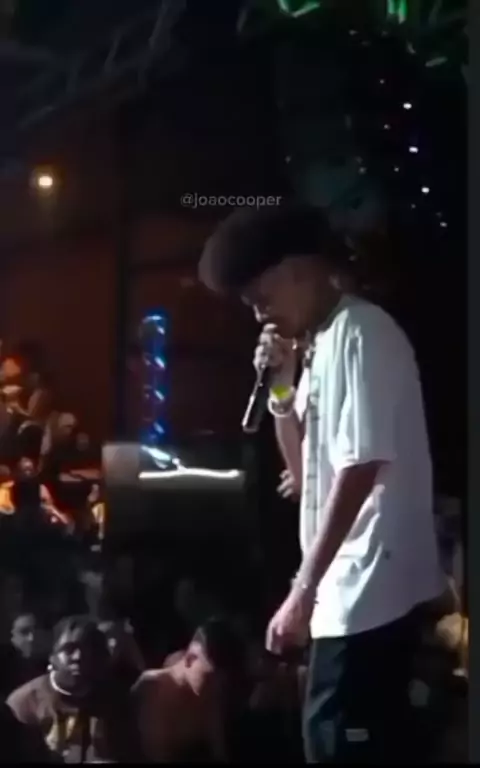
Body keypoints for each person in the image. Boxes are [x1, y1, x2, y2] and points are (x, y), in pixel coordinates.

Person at [198, 204, 445, 763]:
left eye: (262, 297)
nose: (259, 313)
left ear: (298, 270)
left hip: (370, 585)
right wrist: (282, 387)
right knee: (330, 738)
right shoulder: (322, 343)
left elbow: (359, 468)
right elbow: (305, 472)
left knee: (340, 741)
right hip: (343, 588)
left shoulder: (363, 331)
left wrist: (302, 590)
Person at [7, 615, 139, 763]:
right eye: (69, 649)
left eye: (86, 649)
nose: (78, 656)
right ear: (52, 655)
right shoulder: (24, 703)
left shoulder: (115, 699)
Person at [132, 617, 247, 762]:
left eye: (223, 684)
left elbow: (219, 752)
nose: (217, 689)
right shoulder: (152, 690)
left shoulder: (212, 696)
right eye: (210, 679)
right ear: (190, 659)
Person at [0, 612, 51, 697]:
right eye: (24, 632)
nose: (31, 638)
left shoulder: (56, 666)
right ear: (11, 636)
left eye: (36, 632)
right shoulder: (4, 668)